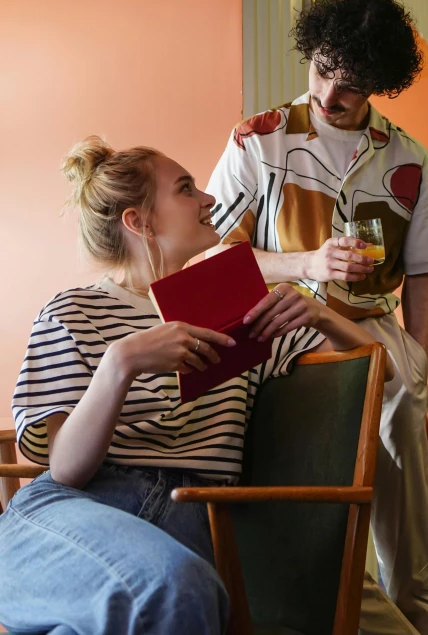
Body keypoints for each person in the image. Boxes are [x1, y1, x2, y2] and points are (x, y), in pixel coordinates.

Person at [0, 136, 396, 635]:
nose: (209, 198)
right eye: (186, 189)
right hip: (76, 512)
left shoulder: (236, 308)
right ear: (139, 222)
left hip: (193, 515)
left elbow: (381, 370)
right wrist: (120, 364)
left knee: (154, 596)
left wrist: (321, 314)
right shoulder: (71, 313)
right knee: (172, 585)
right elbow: (66, 470)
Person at [207, 0, 428, 635]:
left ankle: (420, 615)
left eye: (349, 85)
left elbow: (424, 275)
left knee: (401, 408)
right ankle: (340, 601)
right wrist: (307, 263)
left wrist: (419, 355)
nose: (327, 95)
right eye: (320, 71)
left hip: (373, 322)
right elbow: (210, 263)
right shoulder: (257, 143)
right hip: (281, 322)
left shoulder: (408, 158)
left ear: (378, 85)